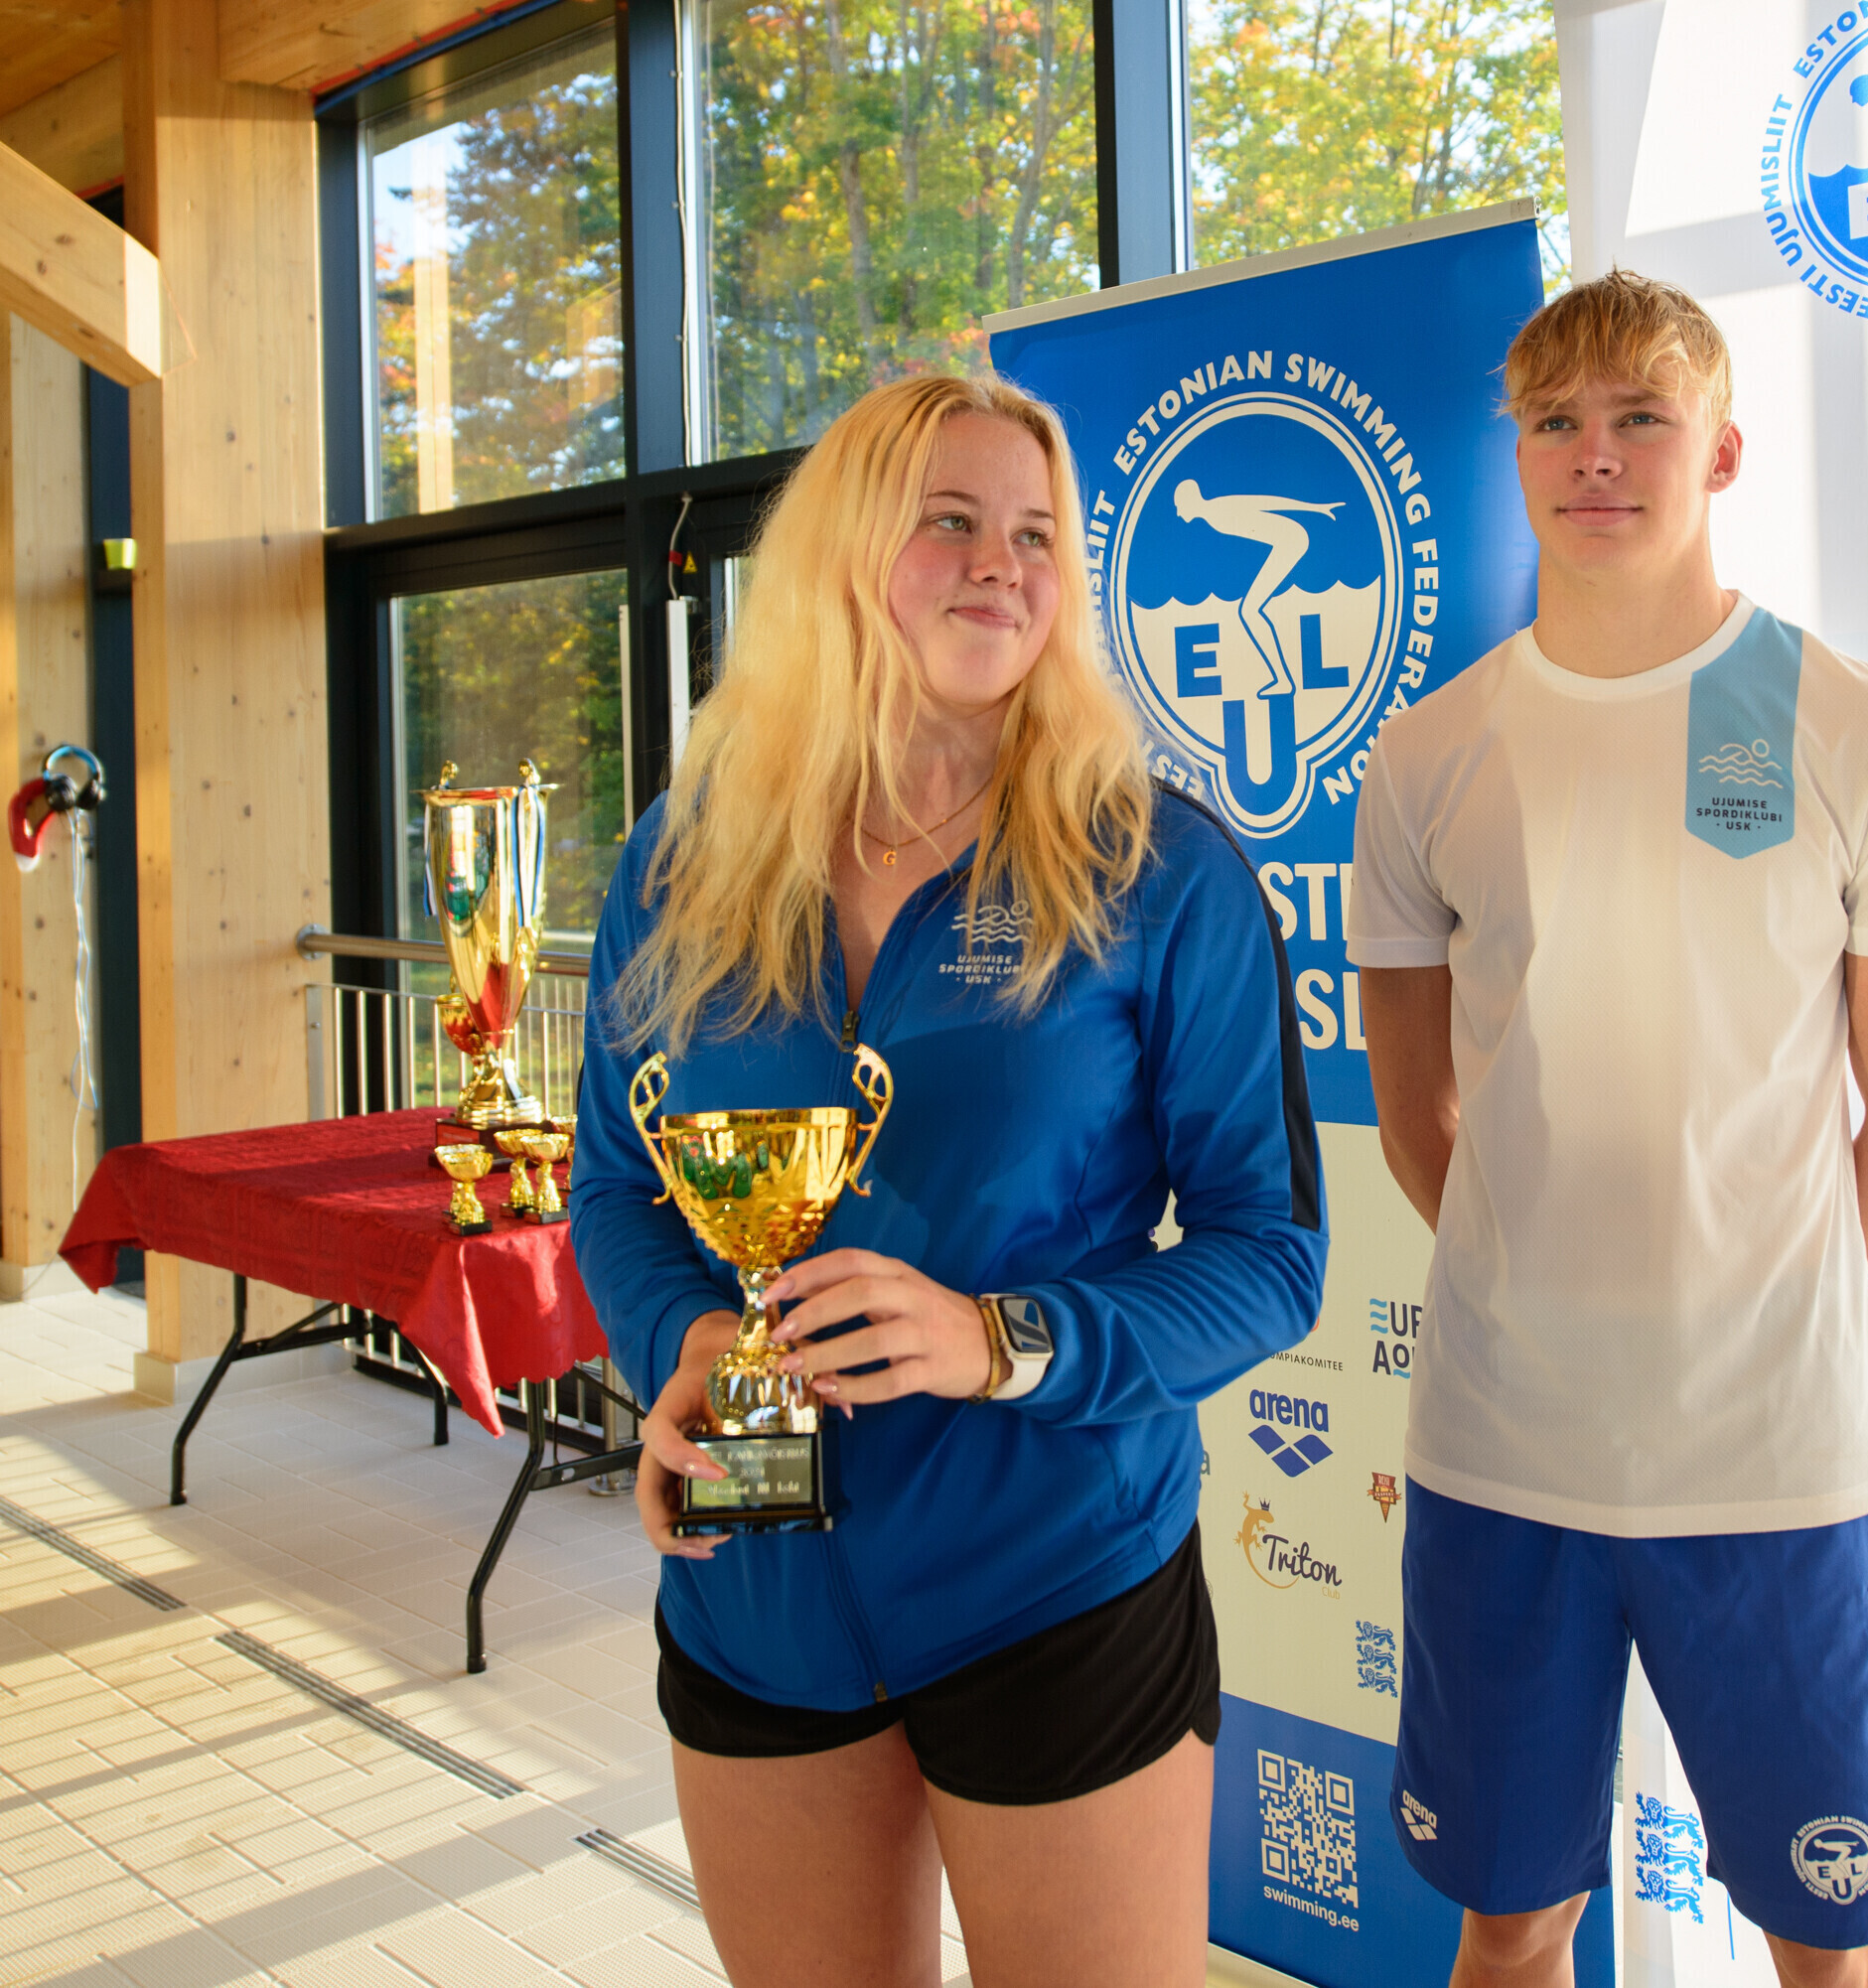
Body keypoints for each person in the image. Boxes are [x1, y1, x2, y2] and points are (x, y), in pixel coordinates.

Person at [568, 372, 1326, 1988]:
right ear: (843, 553)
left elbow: (1270, 1254)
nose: (1002, 564)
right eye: (952, 520)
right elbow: (619, 1186)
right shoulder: (683, 856)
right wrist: (686, 1351)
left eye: (1038, 535)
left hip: (1055, 1579)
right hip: (757, 1591)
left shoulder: (1157, 868)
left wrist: (999, 1340)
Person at [1349, 271, 1868, 1988]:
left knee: (1827, 1942)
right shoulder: (1429, 755)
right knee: (1511, 1925)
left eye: (1641, 416)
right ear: (1517, 451)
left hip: (1771, 1462)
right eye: (1557, 421)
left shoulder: (1855, 726)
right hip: (1503, 1454)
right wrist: (1550, 1301)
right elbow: (1418, 1117)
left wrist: (1758, 1314)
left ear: (1721, 451)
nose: (1596, 454)